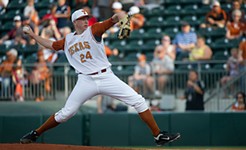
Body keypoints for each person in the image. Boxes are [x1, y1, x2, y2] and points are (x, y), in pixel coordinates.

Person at [20, 9, 180, 145]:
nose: (85, 21)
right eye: (82, 19)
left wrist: (124, 20)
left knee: (138, 100)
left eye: (86, 18)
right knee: (66, 113)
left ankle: (158, 135)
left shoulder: (94, 29)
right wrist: (33, 34)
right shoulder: (68, 40)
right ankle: (36, 133)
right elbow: (50, 44)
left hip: (106, 77)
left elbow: (117, 16)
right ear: (75, 21)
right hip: (85, 80)